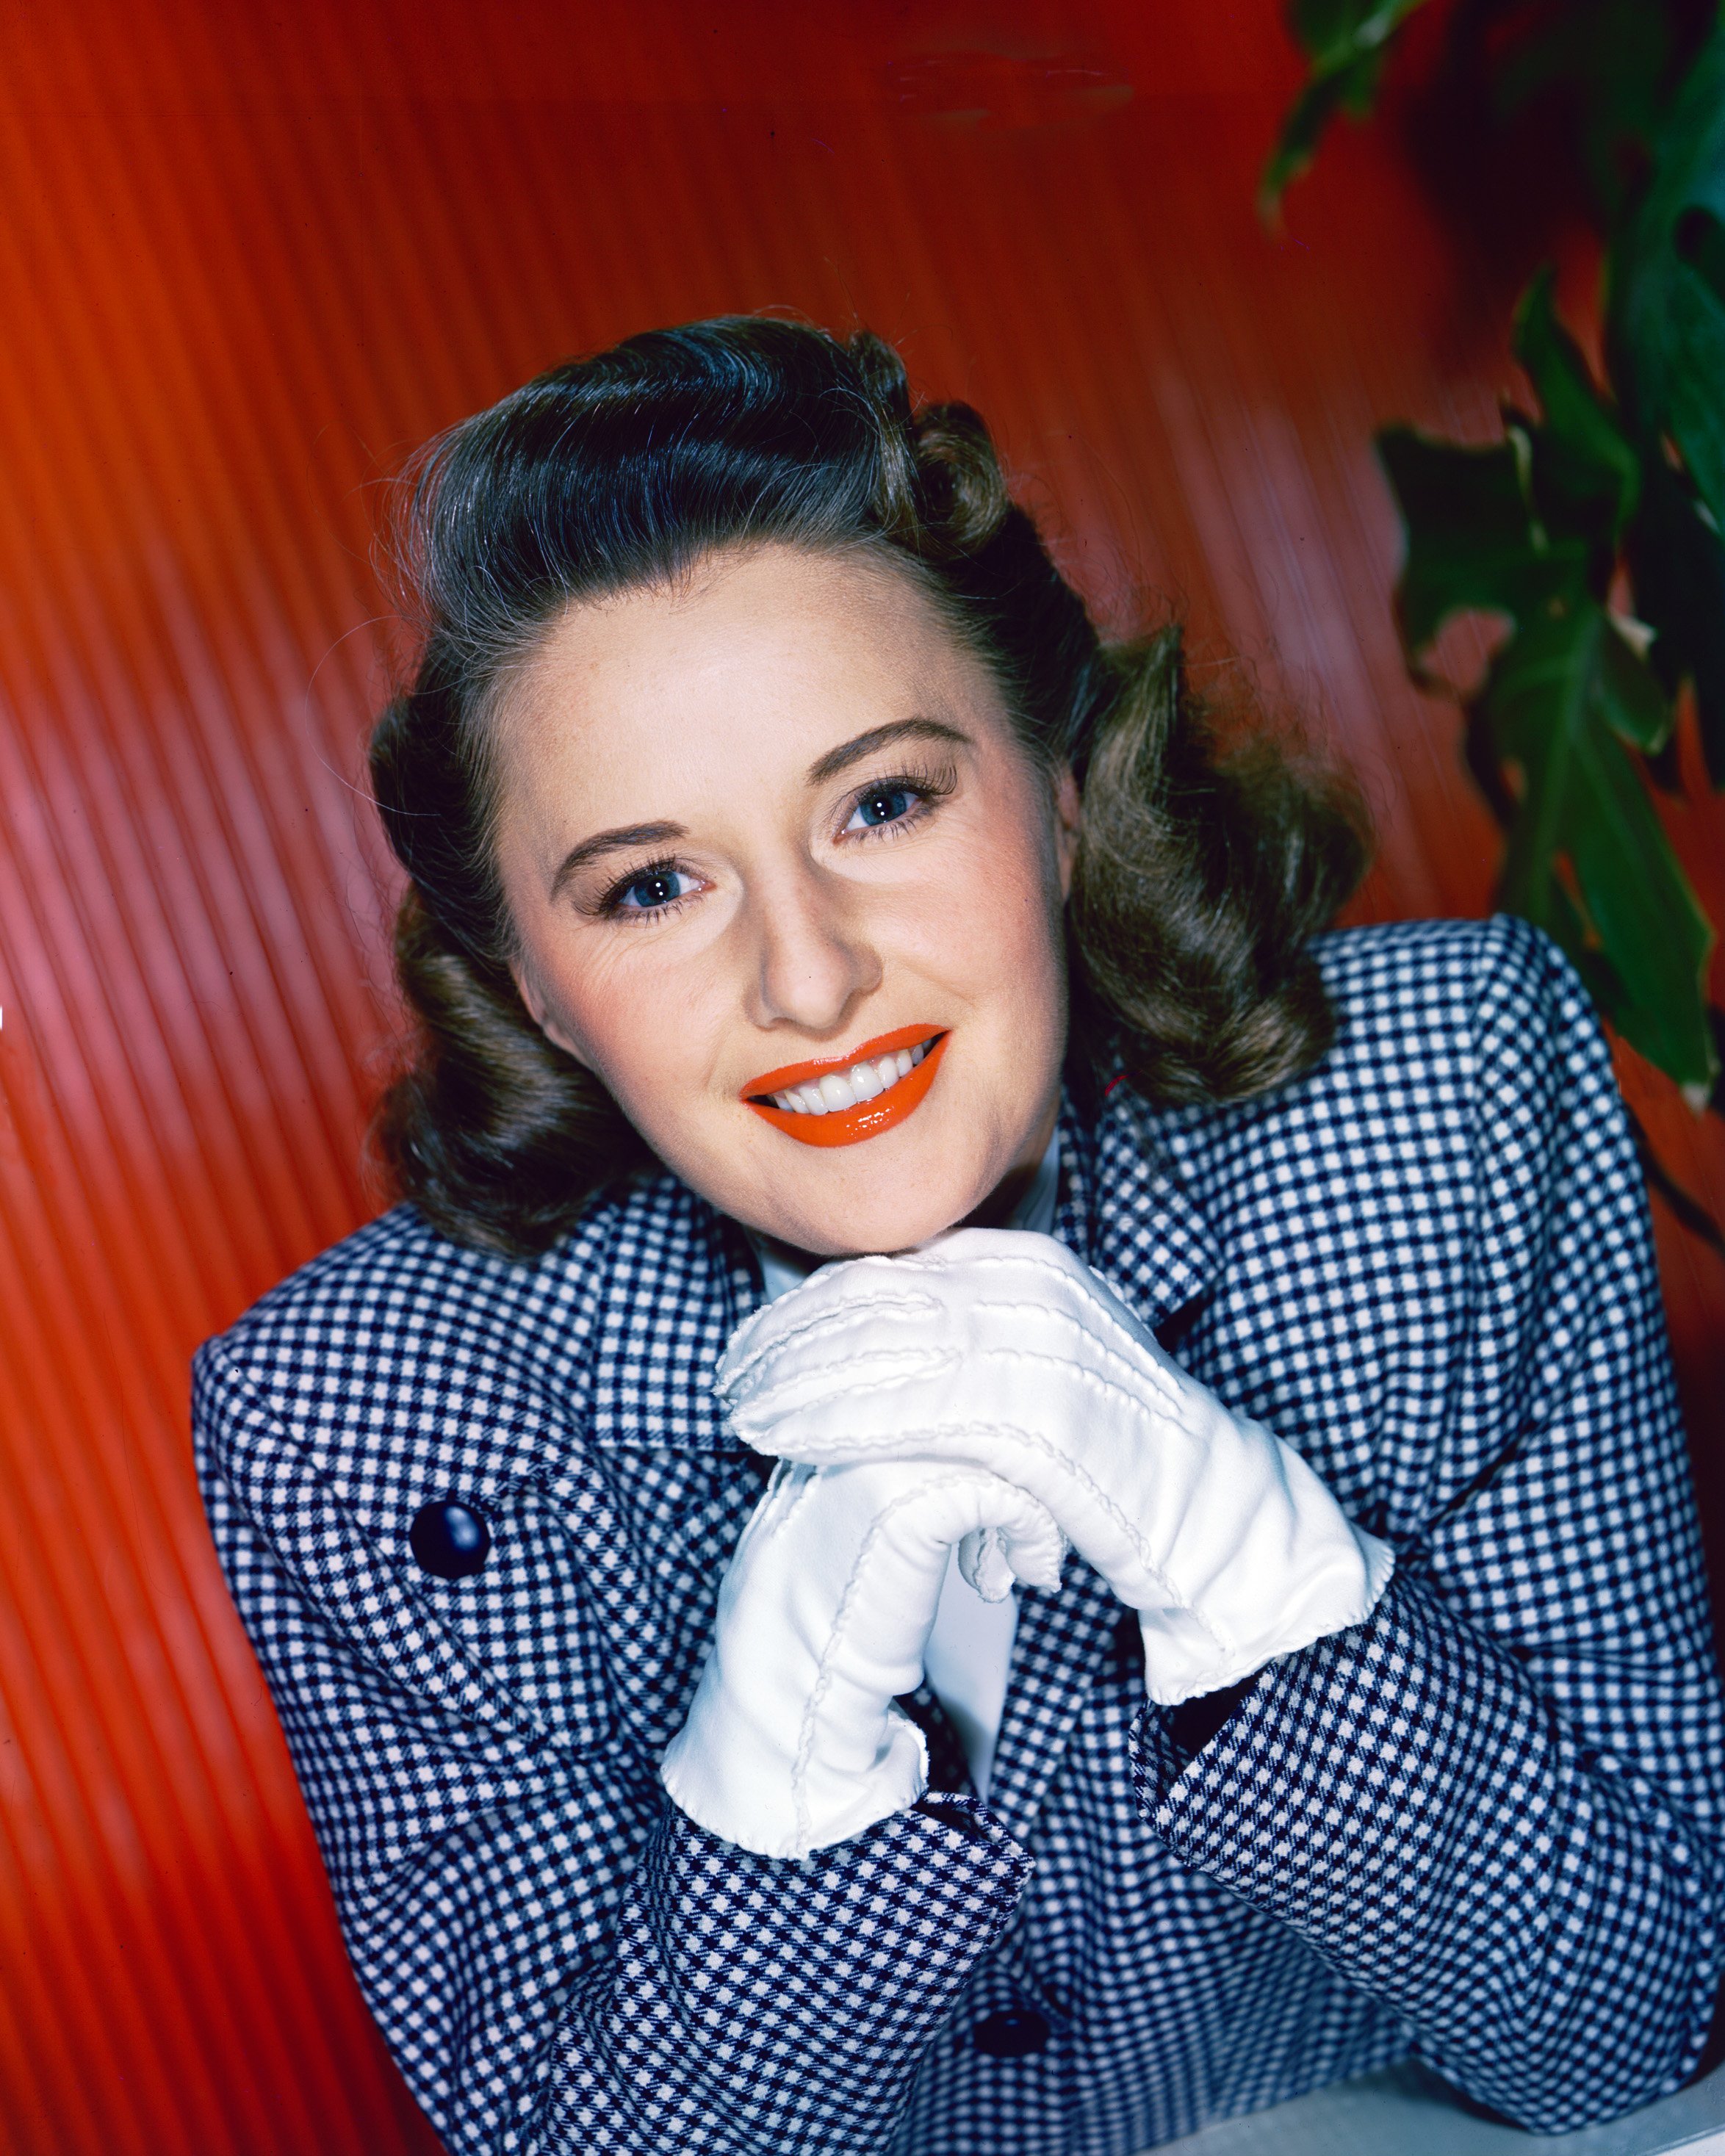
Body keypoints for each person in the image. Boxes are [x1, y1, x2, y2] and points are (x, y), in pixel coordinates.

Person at [192, 317, 1725, 2156]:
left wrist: (1227, 1544)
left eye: (884, 800)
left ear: (1063, 793)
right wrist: (778, 1746)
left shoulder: (1441, 1098)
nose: (811, 976)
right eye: (654, 884)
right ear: (536, 983)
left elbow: (1637, 2022)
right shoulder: (355, 1417)